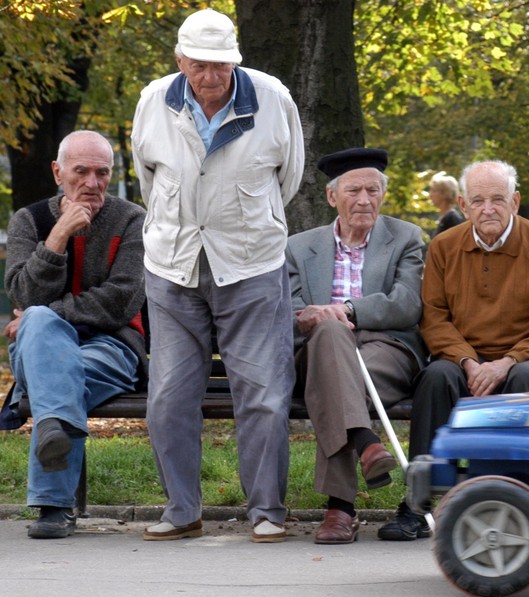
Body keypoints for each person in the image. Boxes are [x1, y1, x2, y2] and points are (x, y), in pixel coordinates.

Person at [131, 8, 304, 543]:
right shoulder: (153, 101)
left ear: (236, 61)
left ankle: (267, 512)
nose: (210, 76)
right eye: (199, 65)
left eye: (221, 66)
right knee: (167, 396)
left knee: (264, 394)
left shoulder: (273, 98)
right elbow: (146, 178)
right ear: (180, 60)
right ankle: (182, 510)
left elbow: (289, 179)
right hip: (173, 268)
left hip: (251, 266)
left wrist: (249, 226)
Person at [378, 159, 529, 541]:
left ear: (515, 202)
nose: (488, 209)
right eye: (479, 200)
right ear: (464, 204)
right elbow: (434, 318)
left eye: (498, 199)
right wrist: (469, 361)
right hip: (464, 360)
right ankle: (417, 507)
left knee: (527, 377)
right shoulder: (443, 247)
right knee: (436, 377)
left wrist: (507, 361)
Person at [2, 131, 146, 539]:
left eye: (102, 173)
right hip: (39, 346)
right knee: (45, 334)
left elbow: (122, 300)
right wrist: (58, 236)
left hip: (112, 348)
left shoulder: (132, 220)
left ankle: (52, 506)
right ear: (57, 172)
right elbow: (23, 292)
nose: (92, 183)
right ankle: (54, 500)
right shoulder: (30, 220)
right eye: (81, 171)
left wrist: (42, 312)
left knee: (53, 358)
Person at [286, 148, 427, 544]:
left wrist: (346, 309)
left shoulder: (406, 237)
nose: (364, 200)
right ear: (332, 196)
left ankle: (340, 510)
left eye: (372, 190)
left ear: (383, 194)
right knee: (330, 336)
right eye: (353, 191)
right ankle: (366, 444)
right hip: (317, 352)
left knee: (335, 378)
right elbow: (288, 310)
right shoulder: (298, 247)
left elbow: (407, 304)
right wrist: (310, 318)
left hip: (386, 350)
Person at [428, 172, 464, 237]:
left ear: (444, 193)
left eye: (433, 191)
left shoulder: (452, 220)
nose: (430, 195)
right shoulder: (444, 218)